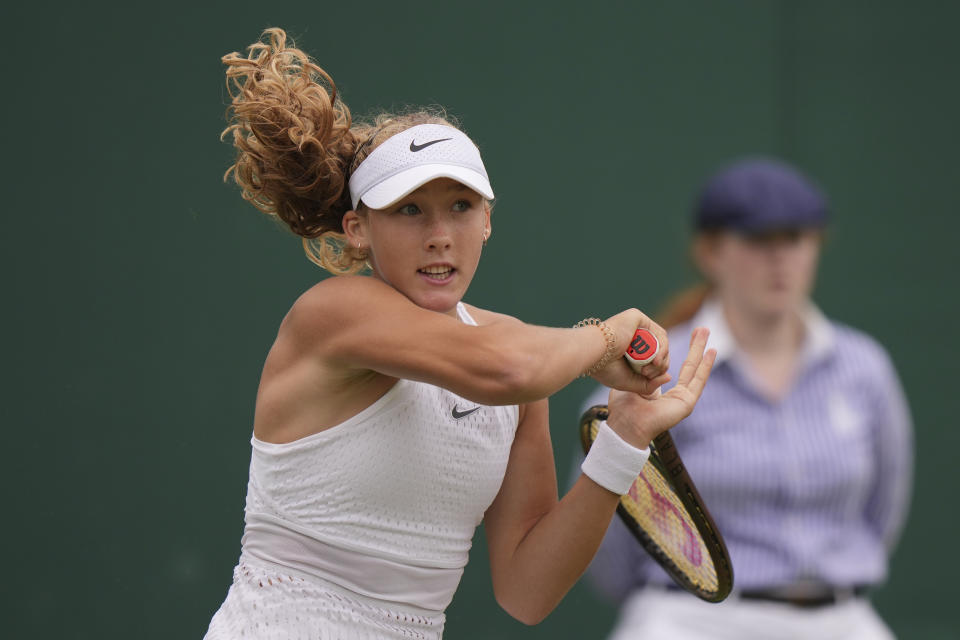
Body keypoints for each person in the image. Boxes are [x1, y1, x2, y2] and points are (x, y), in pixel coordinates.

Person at [203, 28, 716, 639]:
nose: (439, 233)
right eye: (409, 210)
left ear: (489, 221)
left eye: (461, 207)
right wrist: (608, 338)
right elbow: (510, 369)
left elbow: (527, 591)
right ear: (357, 230)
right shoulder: (334, 312)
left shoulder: (520, 355)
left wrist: (624, 440)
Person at [581, 157, 913, 640]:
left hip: (839, 618)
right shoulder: (654, 371)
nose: (780, 259)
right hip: (691, 619)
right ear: (711, 252)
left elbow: (882, 512)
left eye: (796, 239)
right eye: (760, 240)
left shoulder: (864, 367)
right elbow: (608, 533)